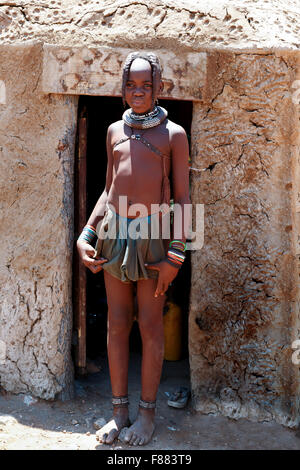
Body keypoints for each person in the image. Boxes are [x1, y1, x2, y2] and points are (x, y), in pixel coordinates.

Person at [76, 51, 190, 446]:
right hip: (114, 233)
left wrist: (176, 256)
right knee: (117, 323)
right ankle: (118, 413)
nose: (137, 92)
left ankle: (146, 416)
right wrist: (86, 235)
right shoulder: (113, 131)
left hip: (154, 235)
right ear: (121, 88)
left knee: (151, 323)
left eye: (146, 85)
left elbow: (184, 198)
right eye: (130, 85)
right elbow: (108, 191)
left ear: (160, 88)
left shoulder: (173, 134)